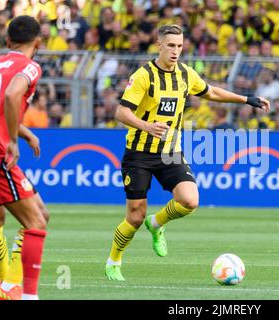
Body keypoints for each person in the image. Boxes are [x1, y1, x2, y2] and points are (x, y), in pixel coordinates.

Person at [104, 24, 270, 281]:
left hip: (170, 151)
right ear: (159, 45)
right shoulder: (143, 76)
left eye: (179, 46)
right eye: (170, 45)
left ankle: (157, 224)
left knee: (190, 201)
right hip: (138, 153)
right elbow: (121, 112)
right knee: (134, 216)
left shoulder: (185, 74)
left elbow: (211, 92)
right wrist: (147, 126)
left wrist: (247, 99)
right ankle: (114, 260)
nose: (175, 51)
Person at [0, 15, 47, 300]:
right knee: (37, 222)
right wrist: (13, 140)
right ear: (38, 42)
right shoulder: (30, 67)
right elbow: (12, 96)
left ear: (8, 40)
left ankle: (9, 283)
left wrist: (23, 132)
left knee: (1, 222)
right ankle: (27, 295)